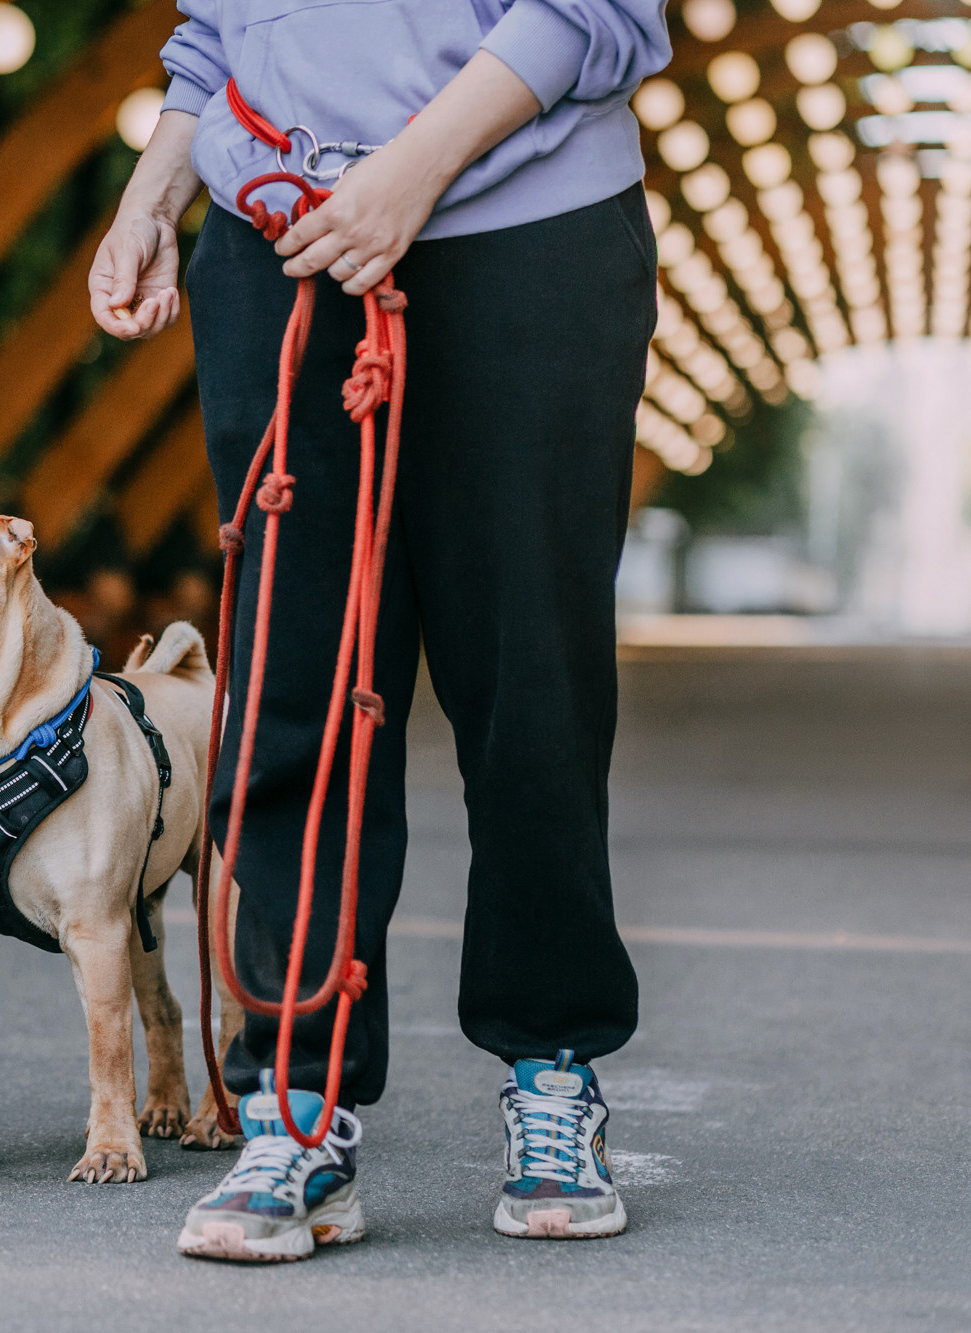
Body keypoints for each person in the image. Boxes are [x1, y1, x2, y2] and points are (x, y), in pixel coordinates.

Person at [90, 0, 669, 1260]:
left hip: (526, 232)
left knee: (530, 681)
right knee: (294, 678)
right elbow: (217, 33)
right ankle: (293, 1104)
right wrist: (150, 196)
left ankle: (551, 1065)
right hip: (277, 241)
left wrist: (410, 174)